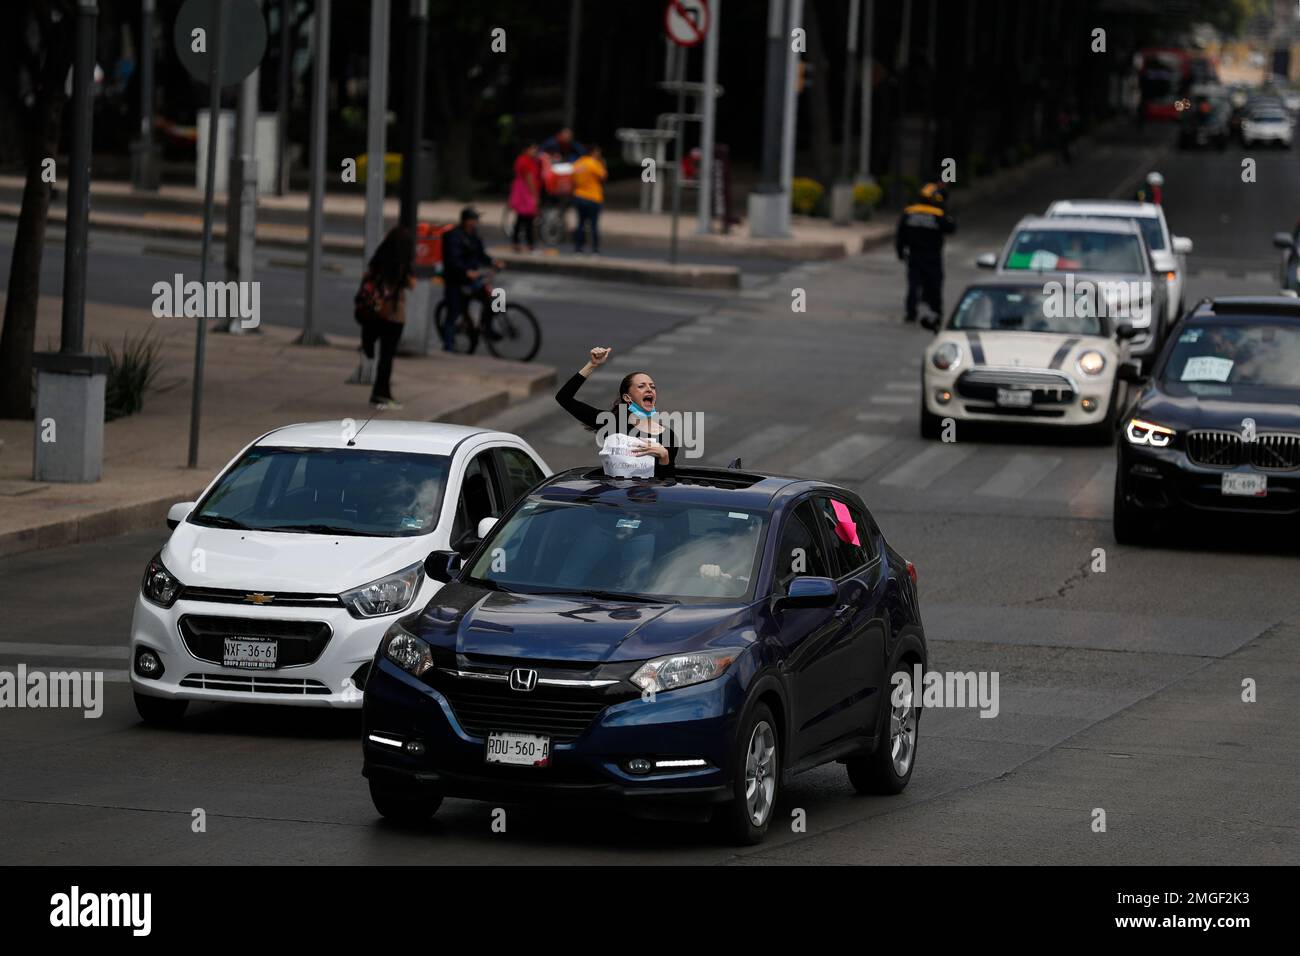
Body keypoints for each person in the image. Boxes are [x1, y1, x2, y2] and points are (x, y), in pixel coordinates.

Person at [555, 346, 679, 479]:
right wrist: (592, 364)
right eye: (641, 386)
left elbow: (668, 484)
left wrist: (664, 456)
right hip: (612, 498)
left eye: (652, 386)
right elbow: (564, 398)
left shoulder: (667, 435)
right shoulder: (611, 423)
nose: (649, 389)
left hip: (647, 498)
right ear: (627, 397)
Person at [354, 225, 416, 410]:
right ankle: (381, 394)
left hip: (375, 312)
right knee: (387, 357)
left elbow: (367, 277)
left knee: (382, 354)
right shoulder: (401, 265)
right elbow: (412, 284)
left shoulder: (379, 259)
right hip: (393, 315)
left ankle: (380, 391)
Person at [440, 207, 503, 352]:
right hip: (456, 280)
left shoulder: (474, 236)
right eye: (474, 219)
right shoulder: (454, 236)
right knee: (454, 311)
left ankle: (488, 328)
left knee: (495, 298)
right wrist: (466, 271)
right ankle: (448, 346)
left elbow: (481, 255)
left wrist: (494, 262)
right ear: (467, 221)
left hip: (472, 279)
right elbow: (452, 260)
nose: (476, 222)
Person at [895, 181, 956, 324]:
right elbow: (952, 228)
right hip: (932, 256)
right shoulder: (938, 214)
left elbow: (900, 235)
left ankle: (911, 313)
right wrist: (945, 210)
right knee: (935, 284)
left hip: (914, 255)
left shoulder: (909, 212)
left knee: (913, 284)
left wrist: (900, 252)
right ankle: (936, 312)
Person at [571, 145, 607, 255]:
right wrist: (602, 164)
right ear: (593, 152)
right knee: (593, 225)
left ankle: (578, 249)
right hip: (593, 197)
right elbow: (603, 177)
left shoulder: (578, 163)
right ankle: (595, 249)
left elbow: (572, 178)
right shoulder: (594, 164)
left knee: (580, 224)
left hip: (579, 196)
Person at [508, 143, 541, 252]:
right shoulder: (526, 161)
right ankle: (529, 244)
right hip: (525, 193)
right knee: (528, 220)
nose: (535, 151)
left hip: (520, 191)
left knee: (520, 219)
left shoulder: (521, 160)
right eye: (532, 148)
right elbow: (529, 179)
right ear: (526, 150)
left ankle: (516, 243)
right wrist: (535, 196)